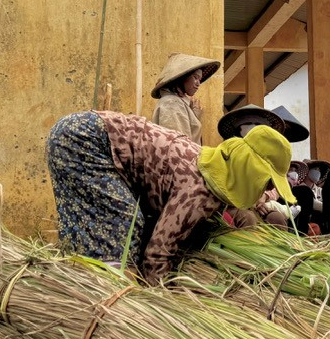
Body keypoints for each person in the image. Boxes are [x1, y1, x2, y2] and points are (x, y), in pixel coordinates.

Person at [46, 111, 294, 283]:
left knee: (107, 230)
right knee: (123, 228)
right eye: (267, 181)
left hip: (81, 131)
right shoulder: (199, 191)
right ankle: (105, 305)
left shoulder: (217, 166)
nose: (265, 189)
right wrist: (163, 303)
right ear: (250, 172)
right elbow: (158, 255)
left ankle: (76, 280)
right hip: (85, 140)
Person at [149, 53, 219, 142]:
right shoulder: (171, 103)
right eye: (195, 77)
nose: (198, 83)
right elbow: (178, 146)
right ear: (182, 78)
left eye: (200, 80)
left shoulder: (177, 103)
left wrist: (194, 116)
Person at [216, 104, 286, 141]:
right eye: (247, 124)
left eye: (258, 124)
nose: (253, 127)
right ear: (238, 129)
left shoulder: (273, 152)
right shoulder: (228, 151)